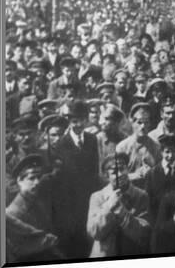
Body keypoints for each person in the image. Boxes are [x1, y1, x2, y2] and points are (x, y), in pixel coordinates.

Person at [54, 100, 100, 258]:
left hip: (89, 200)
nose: (78, 124)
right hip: (70, 204)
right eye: (74, 121)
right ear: (69, 121)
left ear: (87, 120)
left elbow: (94, 171)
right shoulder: (61, 145)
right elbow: (60, 181)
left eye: (82, 120)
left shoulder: (92, 140)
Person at [87, 152, 151, 257]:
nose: (120, 174)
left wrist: (122, 211)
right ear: (106, 176)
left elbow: (143, 234)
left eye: (122, 169)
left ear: (128, 169)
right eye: (114, 172)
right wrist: (108, 207)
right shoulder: (97, 197)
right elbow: (94, 233)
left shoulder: (141, 196)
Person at [6, 154, 64, 262]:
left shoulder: (39, 203)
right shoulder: (12, 213)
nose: (37, 182)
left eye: (38, 177)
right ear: (19, 180)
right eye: (31, 178)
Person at [116, 103, 162, 189]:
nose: (143, 126)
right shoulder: (122, 147)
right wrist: (135, 175)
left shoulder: (156, 147)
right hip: (128, 191)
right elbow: (117, 177)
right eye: (139, 122)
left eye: (146, 122)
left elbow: (160, 175)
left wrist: (150, 173)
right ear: (132, 122)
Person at [145, 134, 175, 221]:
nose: (171, 155)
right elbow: (149, 201)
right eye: (167, 152)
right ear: (161, 152)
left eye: (174, 151)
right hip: (158, 218)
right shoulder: (151, 173)